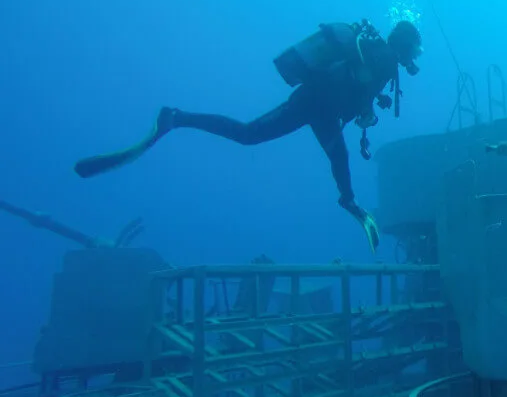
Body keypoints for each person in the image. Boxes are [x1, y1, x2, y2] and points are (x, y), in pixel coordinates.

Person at [74, 19, 423, 253]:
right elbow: (359, 88)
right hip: (316, 106)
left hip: (320, 108)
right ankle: (177, 118)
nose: (413, 59)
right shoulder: (385, 60)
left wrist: (365, 108)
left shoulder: (377, 52)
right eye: (414, 51)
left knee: (265, 139)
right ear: (405, 46)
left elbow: (356, 85)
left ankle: (347, 199)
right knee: (254, 136)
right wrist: (367, 112)